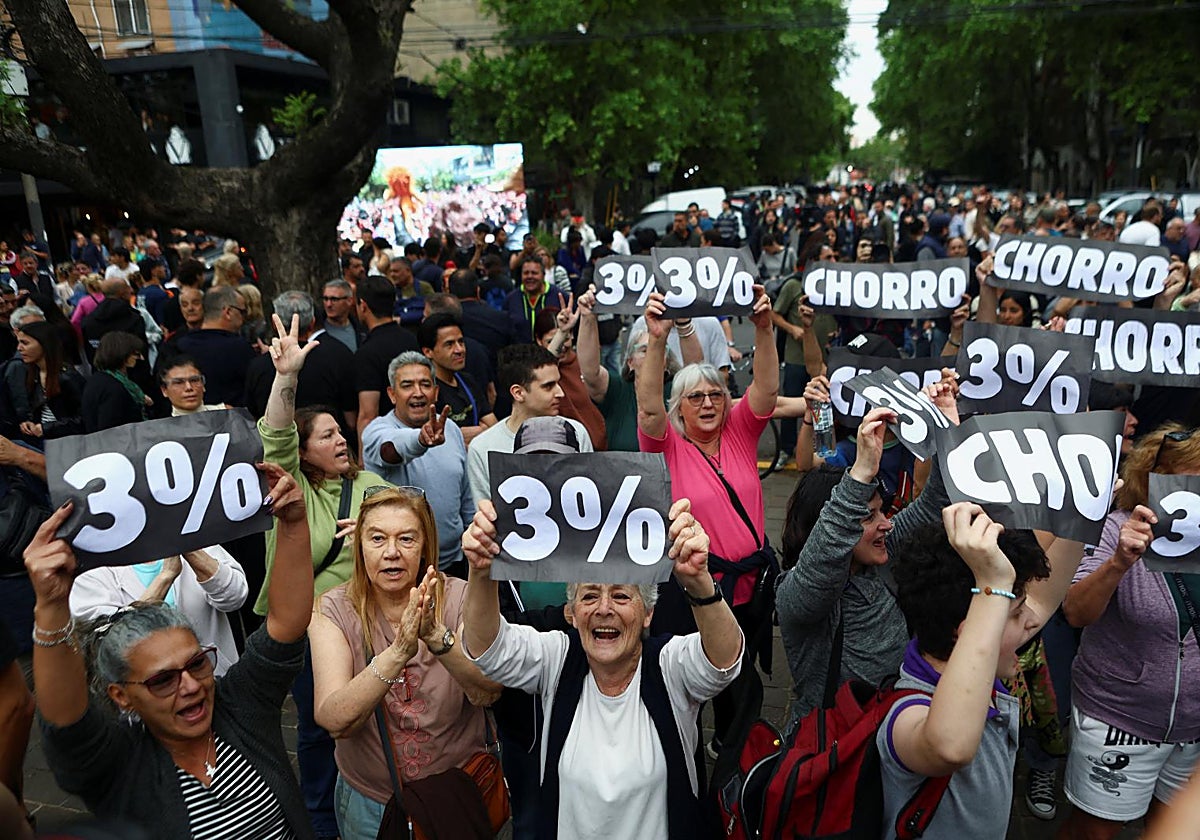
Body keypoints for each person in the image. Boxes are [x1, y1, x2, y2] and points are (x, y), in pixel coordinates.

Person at [27, 462, 315, 838]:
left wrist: (293, 524)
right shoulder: (119, 767)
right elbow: (67, 726)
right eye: (162, 680)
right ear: (121, 696)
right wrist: (50, 606)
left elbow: (284, 629)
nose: (191, 686)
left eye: (197, 664)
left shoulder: (242, 711)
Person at [462, 496, 741, 838]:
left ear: (648, 613)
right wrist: (480, 570)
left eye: (622, 596)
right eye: (590, 596)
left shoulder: (669, 665)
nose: (604, 608)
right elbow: (487, 648)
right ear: (573, 613)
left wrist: (699, 580)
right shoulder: (557, 659)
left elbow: (724, 662)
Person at [258, 313, 388, 840]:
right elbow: (276, 433)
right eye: (327, 434)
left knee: (366, 719)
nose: (341, 439)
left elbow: (411, 527)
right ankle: (318, 819)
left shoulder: (373, 482)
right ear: (304, 450)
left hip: (365, 624)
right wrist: (286, 375)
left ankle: (369, 798)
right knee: (316, 727)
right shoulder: (294, 489)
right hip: (308, 628)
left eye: (341, 431)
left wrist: (378, 527)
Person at [309, 487, 501, 840]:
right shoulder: (331, 609)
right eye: (377, 538)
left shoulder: (459, 596)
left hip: (458, 791)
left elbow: (486, 691)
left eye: (406, 539)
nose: (392, 553)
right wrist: (398, 651)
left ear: (425, 545)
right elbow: (335, 720)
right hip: (372, 803)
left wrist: (436, 638)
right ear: (359, 545)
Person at [634, 283, 777, 756]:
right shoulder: (666, 446)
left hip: (750, 585)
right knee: (690, 673)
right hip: (692, 588)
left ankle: (735, 753)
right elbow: (649, 406)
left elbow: (768, 388)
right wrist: (657, 341)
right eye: (695, 398)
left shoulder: (740, 432)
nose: (709, 404)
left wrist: (764, 329)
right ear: (680, 409)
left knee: (740, 672)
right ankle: (684, 753)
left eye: (716, 394)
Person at [880, 504, 1080, 837]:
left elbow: (1044, 602)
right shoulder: (907, 713)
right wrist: (992, 584)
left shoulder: (982, 670)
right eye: (1016, 613)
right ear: (970, 629)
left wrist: (1085, 514)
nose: (1032, 620)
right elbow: (950, 748)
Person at [1058, 425, 1200, 840]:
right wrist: (1119, 562)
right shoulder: (1115, 528)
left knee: (1171, 829)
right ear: (1156, 481)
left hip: (1193, 727)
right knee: (1095, 832)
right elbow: (1076, 613)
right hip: (1120, 715)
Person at [777, 393, 955, 720]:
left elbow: (934, 505)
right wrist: (859, 472)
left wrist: (945, 428)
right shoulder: (797, 594)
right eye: (869, 517)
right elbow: (826, 554)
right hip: (838, 753)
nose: (887, 524)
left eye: (881, 512)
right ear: (829, 524)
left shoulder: (877, 555)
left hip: (894, 732)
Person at [361, 352, 475, 578]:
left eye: (425, 384)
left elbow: (465, 496)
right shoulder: (377, 430)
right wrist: (421, 440)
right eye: (407, 385)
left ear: (436, 392)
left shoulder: (449, 429)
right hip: (402, 569)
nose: (418, 392)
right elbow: (390, 451)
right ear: (392, 395)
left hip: (455, 563)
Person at [69, 547, 248, 677]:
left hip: (215, 678)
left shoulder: (196, 535)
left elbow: (235, 597)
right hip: (150, 699)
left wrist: (191, 548)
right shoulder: (92, 570)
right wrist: (165, 577)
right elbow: (108, 640)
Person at [466, 343, 594, 503]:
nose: (560, 393)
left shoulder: (576, 431)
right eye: (548, 386)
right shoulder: (482, 448)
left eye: (558, 383)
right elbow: (485, 514)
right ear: (518, 393)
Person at [353, 274, 419, 444]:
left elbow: (368, 414)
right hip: (416, 435)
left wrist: (364, 461)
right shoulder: (411, 339)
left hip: (387, 442)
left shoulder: (367, 352)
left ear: (363, 306)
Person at [534, 305, 607, 451]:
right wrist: (562, 332)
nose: (561, 346)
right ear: (538, 340)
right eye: (551, 340)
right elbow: (547, 361)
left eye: (565, 339)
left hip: (594, 451)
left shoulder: (586, 367)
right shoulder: (535, 373)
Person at [417, 313, 496, 446]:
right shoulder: (423, 391)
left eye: (461, 342)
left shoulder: (468, 381)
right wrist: (460, 435)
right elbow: (427, 436)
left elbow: (494, 428)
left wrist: (480, 431)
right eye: (449, 344)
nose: (459, 350)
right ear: (428, 352)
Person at [169, 286, 254, 407]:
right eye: (242, 312)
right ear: (228, 312)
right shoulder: (241, 349)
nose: (244, 318)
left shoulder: (177, 345)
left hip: (190, 421)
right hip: (235, 421)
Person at [5, 321, 84, 443]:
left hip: (65, 442)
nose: (19, 348)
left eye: (25, 343)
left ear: (44, 344)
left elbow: (83, 419)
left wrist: (46, 429)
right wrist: (29, 424)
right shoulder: (32, 372)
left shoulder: (68, 377)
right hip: (42, 438)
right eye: (19, 342)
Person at [81, 332, 151, 432]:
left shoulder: (98, 379)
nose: (140, 358)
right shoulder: (113, 389)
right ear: (123, 355)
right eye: (136, 354)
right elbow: (110, 431)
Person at [505, 257, 554, 343]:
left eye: (534, 273)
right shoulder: (510, 300)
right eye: (526, 273)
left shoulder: (558, 296)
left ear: (543, 275)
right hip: (520, 353)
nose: (530, 276)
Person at [159, 356, 226, 416]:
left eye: (194, 380)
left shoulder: (227, 414)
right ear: (164, 390)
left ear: (203, 384)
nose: (189, 387)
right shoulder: (158, 428)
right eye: (179, 382)